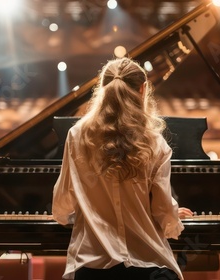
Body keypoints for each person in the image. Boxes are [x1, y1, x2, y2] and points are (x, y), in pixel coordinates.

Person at [52, 57, 189, 280]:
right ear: (143, 90)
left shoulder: (76, 136)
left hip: (90, 269)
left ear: (102, 89)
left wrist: (81, 211)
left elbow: (61, 207)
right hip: (147, 266)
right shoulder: (154, 142)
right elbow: (164, 214)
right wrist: (173, 218)